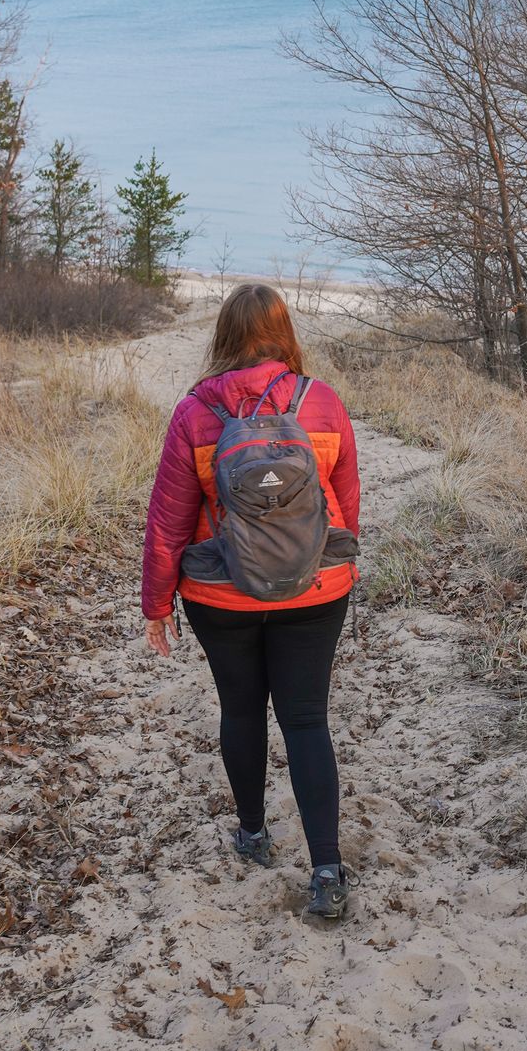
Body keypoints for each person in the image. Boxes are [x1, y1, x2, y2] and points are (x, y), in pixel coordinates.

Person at [142, 283, 361, 919]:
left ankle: (253, 835)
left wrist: (157, 603)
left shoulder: (195, 413)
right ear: (283, 331)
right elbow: (344, 502)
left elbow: (169, 521)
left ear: (224, 336)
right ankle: (326, 869)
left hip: (220, 592)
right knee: (305, 718)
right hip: (314, 591)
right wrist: (333, 569)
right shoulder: (322, 403)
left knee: (241, 710)